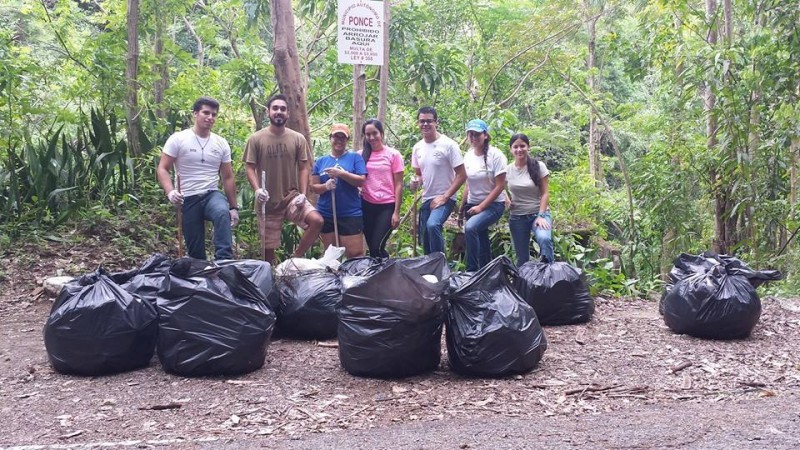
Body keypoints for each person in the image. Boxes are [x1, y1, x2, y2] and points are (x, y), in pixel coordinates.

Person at [244, 93, 324, 264]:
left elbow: (304, 167)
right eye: (275, 108)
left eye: (282, 109)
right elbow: (249, 167)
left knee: (317, 221)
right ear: (268, 112)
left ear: (287, 113)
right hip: (267, 201)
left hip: (291, 197)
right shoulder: (256, 139)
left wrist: (303, 193)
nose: (279, 112)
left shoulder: (297, 139)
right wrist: (257, 189)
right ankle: (273, 279)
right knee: (268, 253)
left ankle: (294, 260)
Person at [157, 96, 239, 261]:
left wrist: (234, 207)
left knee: (221, 212)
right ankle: (200, 274)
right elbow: (162, 168)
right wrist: (170, 191)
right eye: (206, 113)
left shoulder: (221, 143)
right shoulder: (178, 139)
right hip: (188, 197)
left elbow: (228, 176)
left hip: (211, 194)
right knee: (195, 253)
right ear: (195, 114)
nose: (210, 117)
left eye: (214, 114)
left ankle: (224, 261)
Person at [411, 106, 466, 255]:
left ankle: (440, 265)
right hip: (427, 198)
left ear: (436, 122)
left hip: (445, 197)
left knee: (433, 225)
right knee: (426, 237)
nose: (425, 124)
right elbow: (419, 174)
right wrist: (416, 181)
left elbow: (461, 174)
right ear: (418, 123)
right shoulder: (417, 148)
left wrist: (445, 196)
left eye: (429, 121)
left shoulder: (449, 145)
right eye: (422, 121)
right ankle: (429, 268)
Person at [311, 124, 367, 258]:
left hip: (350, 213)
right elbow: (314, 187)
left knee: (354, 254)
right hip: (327, 213)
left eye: (343, 137)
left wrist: (341, 173)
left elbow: (360, 180)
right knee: (332, 256)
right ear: (330, 138)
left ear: (347, 140)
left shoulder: (355, 158)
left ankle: (354, 279)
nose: (339, 140)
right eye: (336, 136)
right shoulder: (321, 161)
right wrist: (326, 186)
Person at [459, 119, 507, 271]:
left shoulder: (496, 155)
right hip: (473, 204)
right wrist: (461, 209)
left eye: (477, 134)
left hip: (493, 205)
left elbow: (500, 186)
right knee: (482, 237)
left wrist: (481, 207)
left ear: (485, 135)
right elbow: (468, 184)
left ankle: (471, 271)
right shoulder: (467, 156)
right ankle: (487, 271)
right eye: (470, 134)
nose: (473, 138)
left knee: (471, 228)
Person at [506, 133, 553, 266]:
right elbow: (498, 187)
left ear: (528, 147)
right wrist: (506, 198)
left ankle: (550, 274)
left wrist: (541, 215)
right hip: (517, 217)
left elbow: (545, 193)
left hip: (538, 214)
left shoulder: (539, 166)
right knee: (522, 259)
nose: (519, 149)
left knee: (544, 239)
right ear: (511, 149)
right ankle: (524, 284)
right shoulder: (507, 170)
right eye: (515, 147)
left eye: (522, 146)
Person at [358, 119, 404, 258]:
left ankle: (388, 272)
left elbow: (399, 184)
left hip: (387, 206)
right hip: (366, 205)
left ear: (381, 133)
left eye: (375, 133)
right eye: (368, 134)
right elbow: (355, 178)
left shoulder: (393, 155)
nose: (371, 137)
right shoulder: (360, 155)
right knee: (372, 247)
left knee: (377, 245)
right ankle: (379, 275)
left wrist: (396, 212)